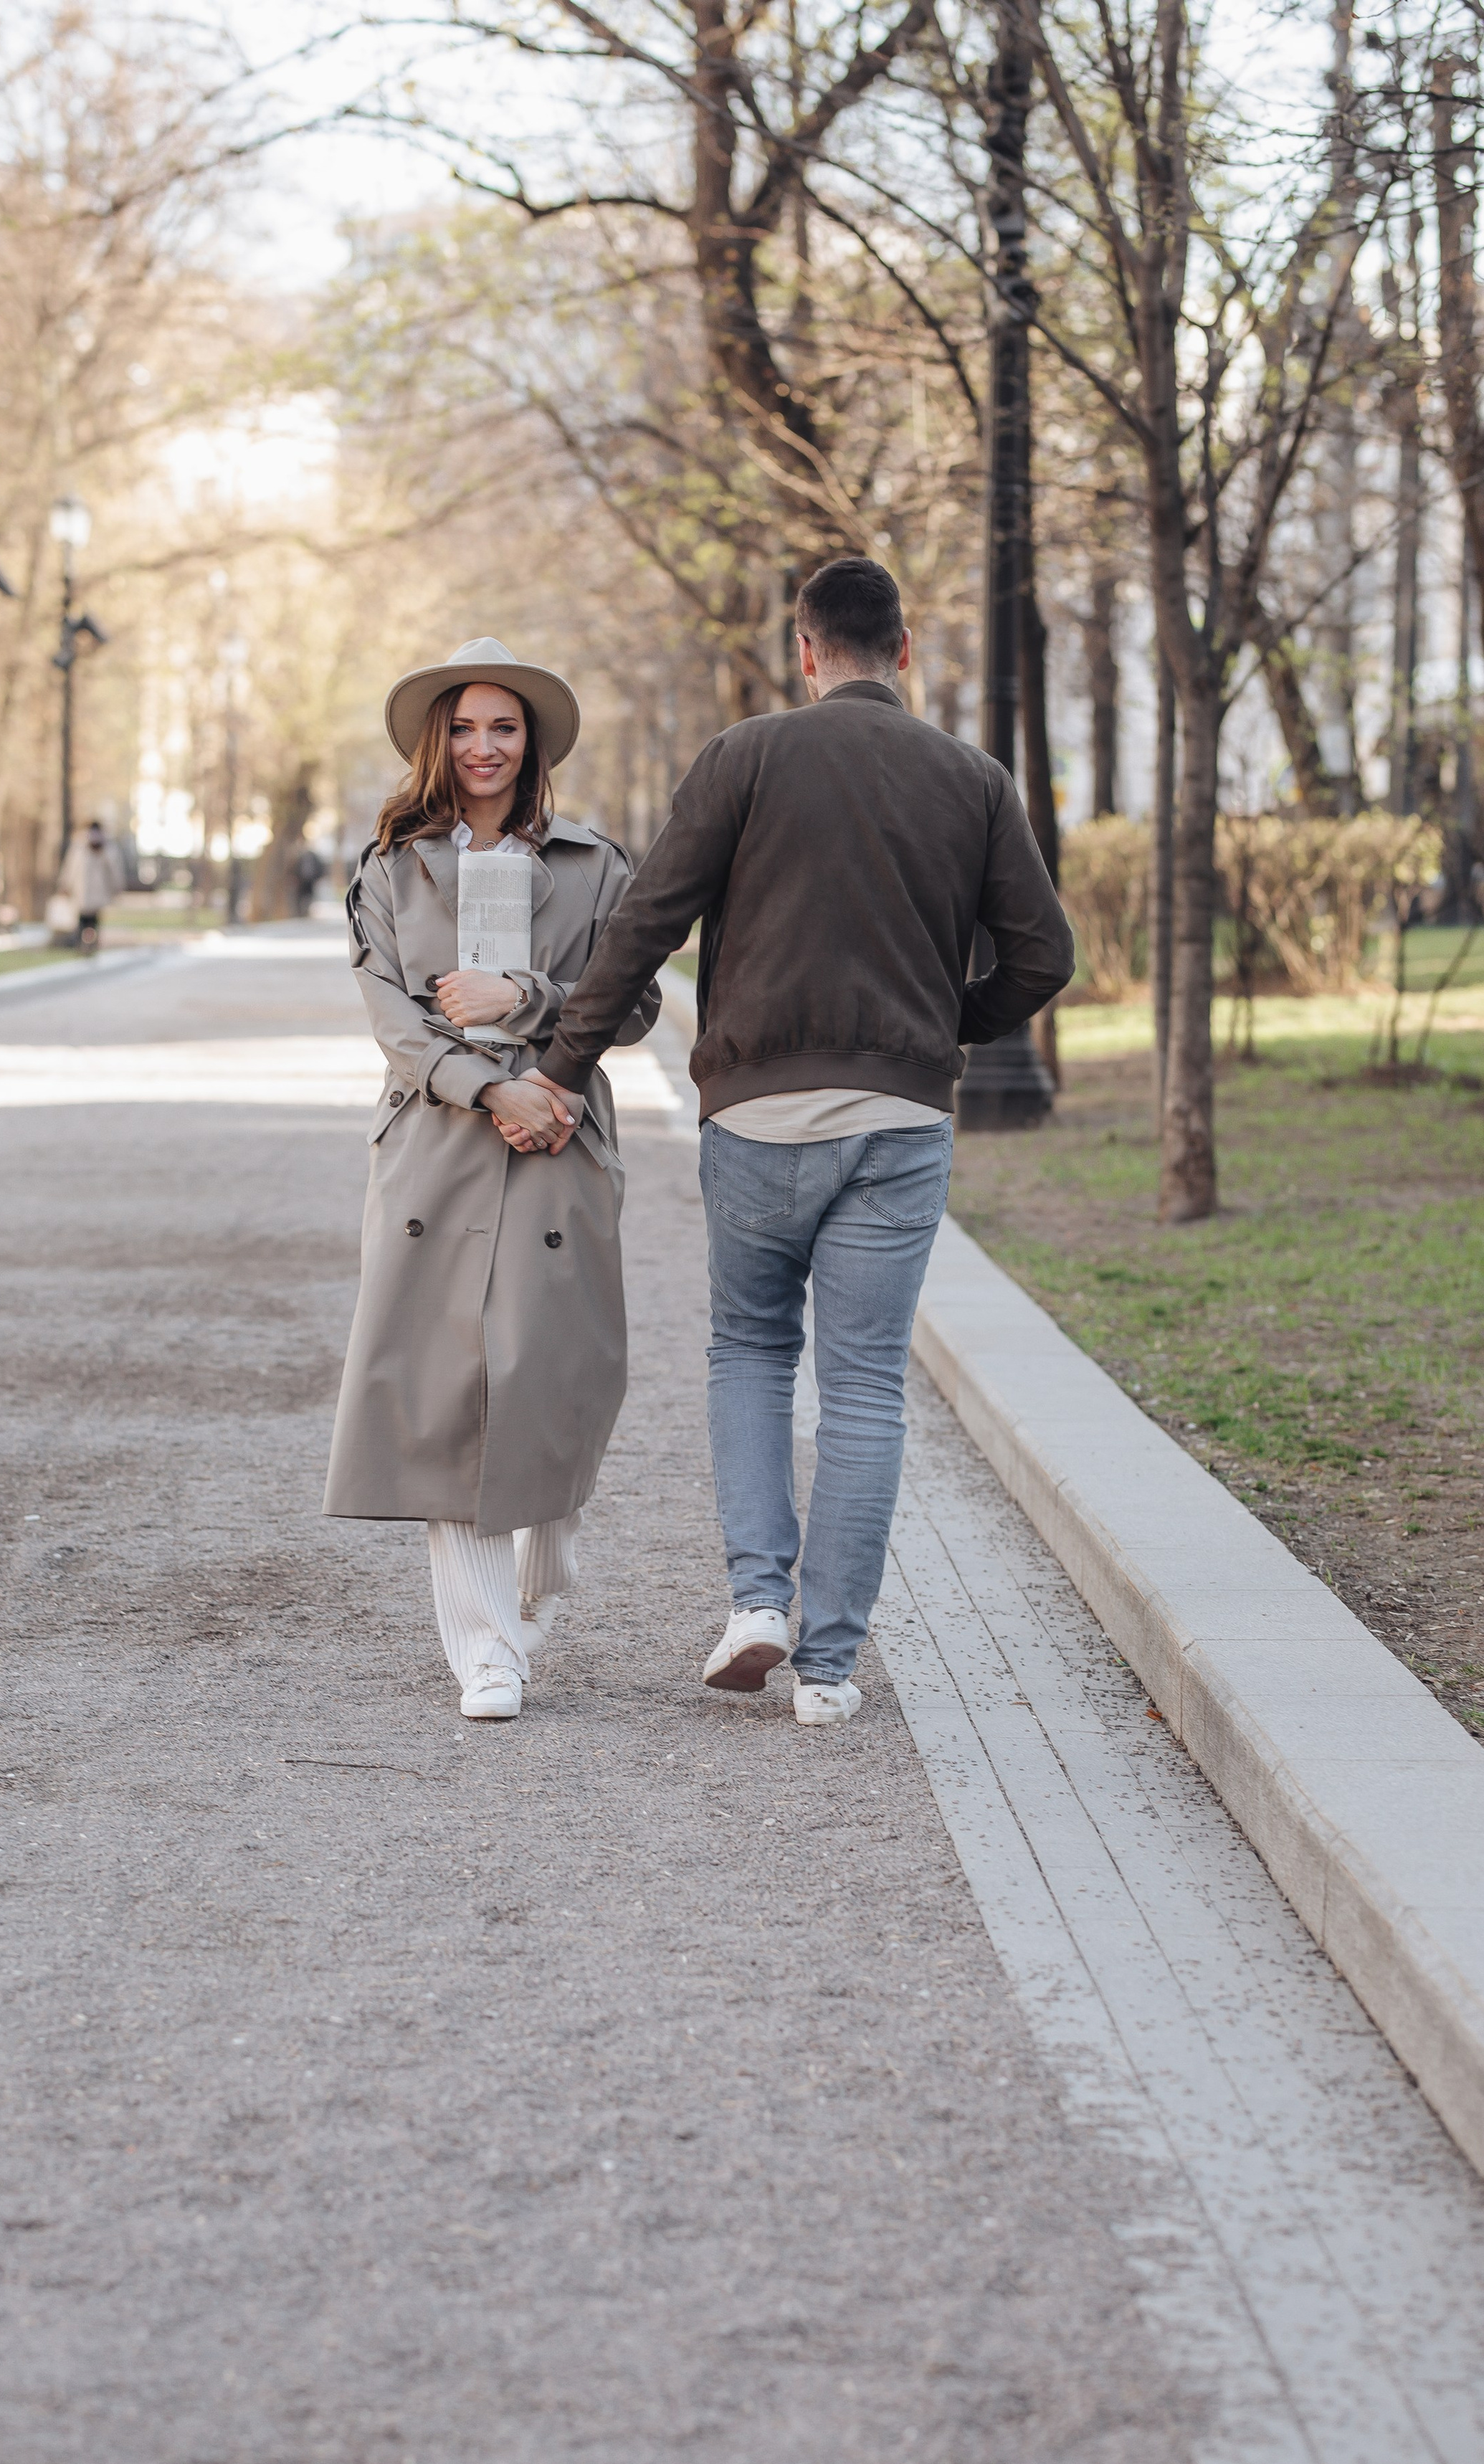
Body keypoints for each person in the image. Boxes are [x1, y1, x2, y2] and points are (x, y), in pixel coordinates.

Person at [528, 556, 1074, 1726]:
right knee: (868, 1382)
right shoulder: (974, 780)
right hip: (899, 1122)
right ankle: (829, 1669)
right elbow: (1043, 958)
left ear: (806, 649)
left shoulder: (745, 756)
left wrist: (561, 1070)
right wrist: (938, 1033)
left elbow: (644, 925)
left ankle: (758, 1605)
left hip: (760, 1114)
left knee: (752, 1353)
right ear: (907, 649)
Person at [323, 636, 660, 1722]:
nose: (482, 746)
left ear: (532, 741)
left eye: (503, 727)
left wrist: (525, 1001)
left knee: (560, 1373)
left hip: (563, 1136)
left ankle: (547, 1556)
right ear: (437, 740)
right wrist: (489, 1090)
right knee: (448, 1393)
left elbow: (637, 1006)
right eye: (463, 727)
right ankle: (485, 1652)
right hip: (439, 1147)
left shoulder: (595, 863)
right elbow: (396, 1023)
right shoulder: (390, 868)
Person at [54, 818, 118, 951]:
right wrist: (65, 884)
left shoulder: (106, 847)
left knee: (93, 918)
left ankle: (92, 943)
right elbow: (71, 867)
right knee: (82, 917)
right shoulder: (79, 846)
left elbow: (113, 868)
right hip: (82, 890)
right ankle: (81, 943)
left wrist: (116, 886)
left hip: (97, 890)